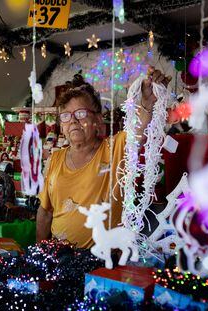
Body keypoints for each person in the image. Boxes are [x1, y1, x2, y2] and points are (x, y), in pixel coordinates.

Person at [37, 67, 170, 248]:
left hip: (102, 262)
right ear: (61, 125)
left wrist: (146, 102)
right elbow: (45, 212)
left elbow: (139, 128)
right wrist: (39, 249)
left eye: (81, 113)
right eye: (66, 116)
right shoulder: (55, 159)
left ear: (98, 120)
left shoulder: (114, 149)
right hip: (58, 257)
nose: (73, 120)